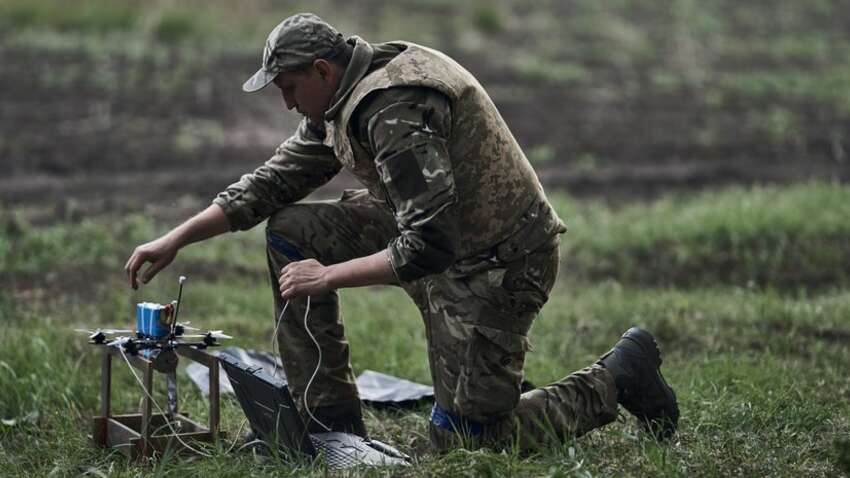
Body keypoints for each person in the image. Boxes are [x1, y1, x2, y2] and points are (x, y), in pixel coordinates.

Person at [125, 13, 678, 451]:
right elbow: (272, 184)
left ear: (322, 70)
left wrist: (329, 277)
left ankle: (613, 380)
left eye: (290, 87)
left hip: (498, 263)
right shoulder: (343, 96)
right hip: (435, 241)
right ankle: (327, 421)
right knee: (291, 228)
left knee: (469, 441)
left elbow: (428, 244)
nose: (288, 103)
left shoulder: (392, 108)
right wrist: (175, 238)